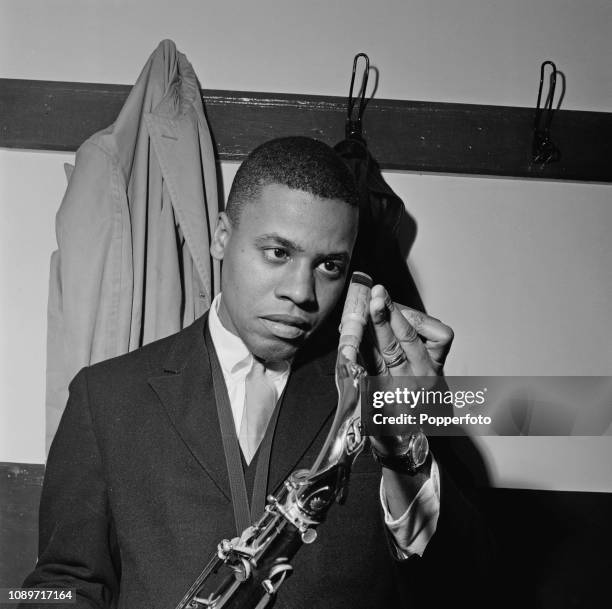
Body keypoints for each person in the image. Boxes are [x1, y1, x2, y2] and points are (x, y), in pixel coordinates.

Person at [22, 137, 492, 609]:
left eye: (329, 265)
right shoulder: (104, 394)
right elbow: (58, 581)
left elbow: (461, 582)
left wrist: (410, 437)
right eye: (278, 253)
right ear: (222, 236)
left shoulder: (385, 390)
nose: (301, 292)